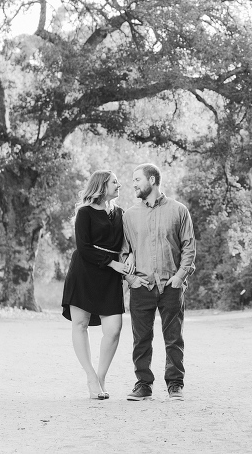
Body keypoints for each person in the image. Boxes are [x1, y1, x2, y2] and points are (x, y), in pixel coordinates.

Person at [122, 163, 195, 401]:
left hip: (171, 285)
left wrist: (179, 277)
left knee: (174, 338)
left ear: (152, 180)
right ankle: (143, 384)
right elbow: (124, 251)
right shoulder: (130, 216)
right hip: (141, 285)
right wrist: (131, 279)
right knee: (140, 339)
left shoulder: (179, 210)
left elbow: (188, 247)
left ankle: (175, 384)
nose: (133, 184)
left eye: (137, 179)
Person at [61, 170, 132, 400]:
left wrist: (128, 257)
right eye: (114, 182)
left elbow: (128, 243)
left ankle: (100, 377)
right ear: (102, 185)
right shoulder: (85, 213)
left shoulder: (120, 213)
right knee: (79, 325)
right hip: (85, 272)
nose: (119, 185)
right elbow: (84, 247)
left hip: (111, 275)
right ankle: (91, 377)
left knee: (113, 330)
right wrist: (112, 264)